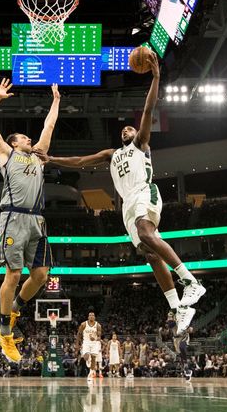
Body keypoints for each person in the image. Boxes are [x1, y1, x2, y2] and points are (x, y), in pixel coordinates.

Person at [35, 50, 205, 336]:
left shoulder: (140, 143)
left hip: (144, 193)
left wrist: (156, 77)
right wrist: (51, 159)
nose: (128, 130)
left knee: (146, 231)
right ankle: (177, 307)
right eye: (124, 128)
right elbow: (79, 162)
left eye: (131, 127)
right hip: (127, 206)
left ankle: (190, 281)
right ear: (119, 135)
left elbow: (149, 110)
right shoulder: (111, 154)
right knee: (149, 253)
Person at [0, 79, 60, 362]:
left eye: (29, 139)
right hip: (13, 218)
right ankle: (4, 333)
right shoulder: (7, 154)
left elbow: (48, 127)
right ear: (14, 142)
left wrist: (56, 101)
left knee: (41, 275)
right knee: (13, 274)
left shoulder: (38, 157)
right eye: (24, 138)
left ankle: (14, 307)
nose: (29, 140)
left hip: (37, 221)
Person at [76, 312, 102, 380]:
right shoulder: (83, 324)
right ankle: (89, 359)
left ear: (94, 317)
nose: (91, 316)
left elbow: (99, 337)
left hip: (94, 343)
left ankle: (90, 373)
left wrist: (95, 338)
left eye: (93, 315)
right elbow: (79, 334)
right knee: (86, 357)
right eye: (90, 315)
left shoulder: (98, 325)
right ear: (88, 317)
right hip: (86, 342)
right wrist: (77, 344)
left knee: (94, 358)